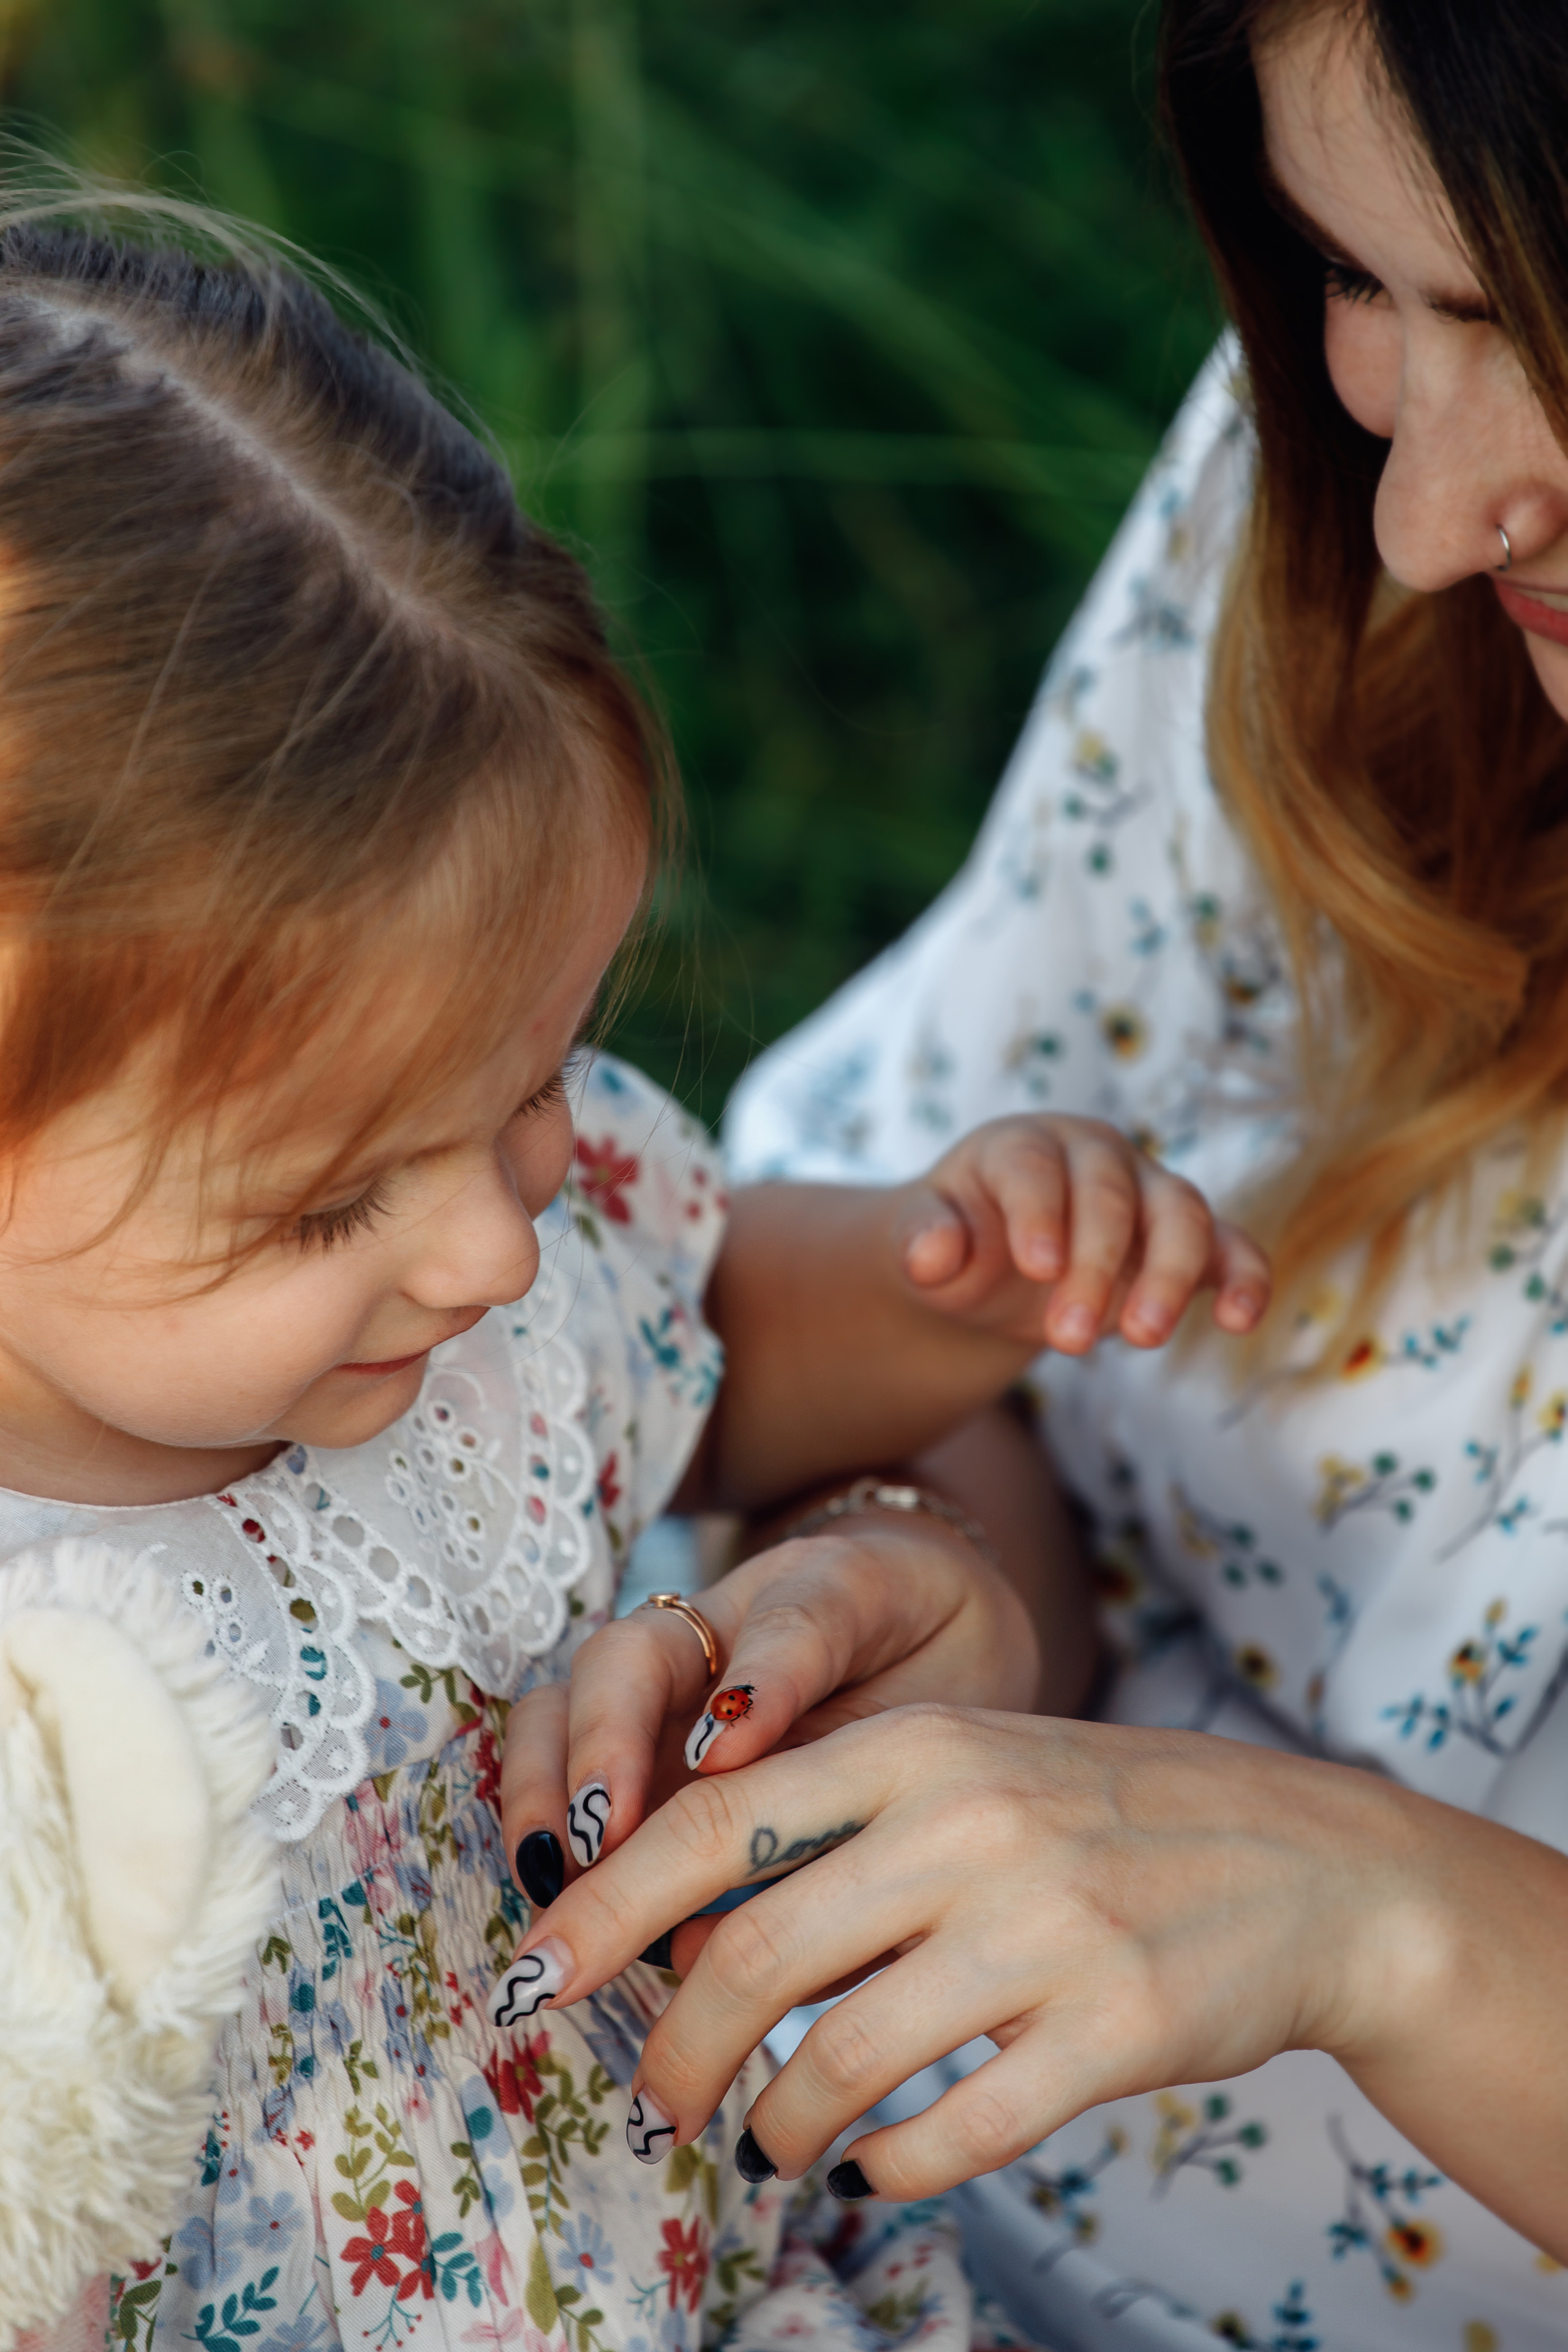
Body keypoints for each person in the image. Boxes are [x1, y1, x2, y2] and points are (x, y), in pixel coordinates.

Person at [0, 184, 1267, 2349]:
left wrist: (956, 1271)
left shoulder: (477, 1293)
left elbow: (724, 1324)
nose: (498, 1241)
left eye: (536, 1082)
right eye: (323, 1202)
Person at [496, 4, 1568, 2348]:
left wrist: (1380, 1917)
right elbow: (923, 1293)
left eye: (1534, 321)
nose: (1418, 516)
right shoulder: (1359, 527)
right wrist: (924, 1568)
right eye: (1365, 288)